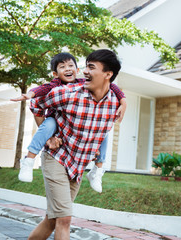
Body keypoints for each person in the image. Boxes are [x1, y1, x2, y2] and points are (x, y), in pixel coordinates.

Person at [27, 49, 122, 239]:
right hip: (57, 158)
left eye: (91, 67)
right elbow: (36, 103)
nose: (85, 71)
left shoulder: (114, 103)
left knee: (53, 219)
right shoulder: (68, 92)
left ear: (108, 74)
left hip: (78, 165)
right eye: (86, 66)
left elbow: (102, 130)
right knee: (64, 219)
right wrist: (47, 137)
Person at [11, 52, 126, 193]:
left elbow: (111, 85)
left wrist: (123, 100)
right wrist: (30, 94)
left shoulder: (83, 83)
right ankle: (28, 160)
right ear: (55, 73)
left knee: (104, 132)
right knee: (49, 124)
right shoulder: (56, 85)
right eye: (62, 67)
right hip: (54, 121)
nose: (67, 69)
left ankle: (98, 169)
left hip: (77, 156)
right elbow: (42, 90)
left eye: (71, 65)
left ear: (77, 70)